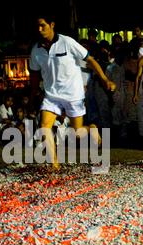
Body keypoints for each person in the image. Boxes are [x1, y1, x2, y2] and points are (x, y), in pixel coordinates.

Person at [29, 13, 116, 170]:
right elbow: (34, 76)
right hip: (51, 95)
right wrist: (33, 94)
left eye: (43, 25)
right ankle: (54, 165)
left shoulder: (67, 42)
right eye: (37, 26)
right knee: (44, 126)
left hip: (73, 94)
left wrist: (105, 80)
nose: (40, 29)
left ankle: (92, 129)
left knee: (77, 133)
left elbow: (90, 60)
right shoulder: (35, 50)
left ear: (52, 25)